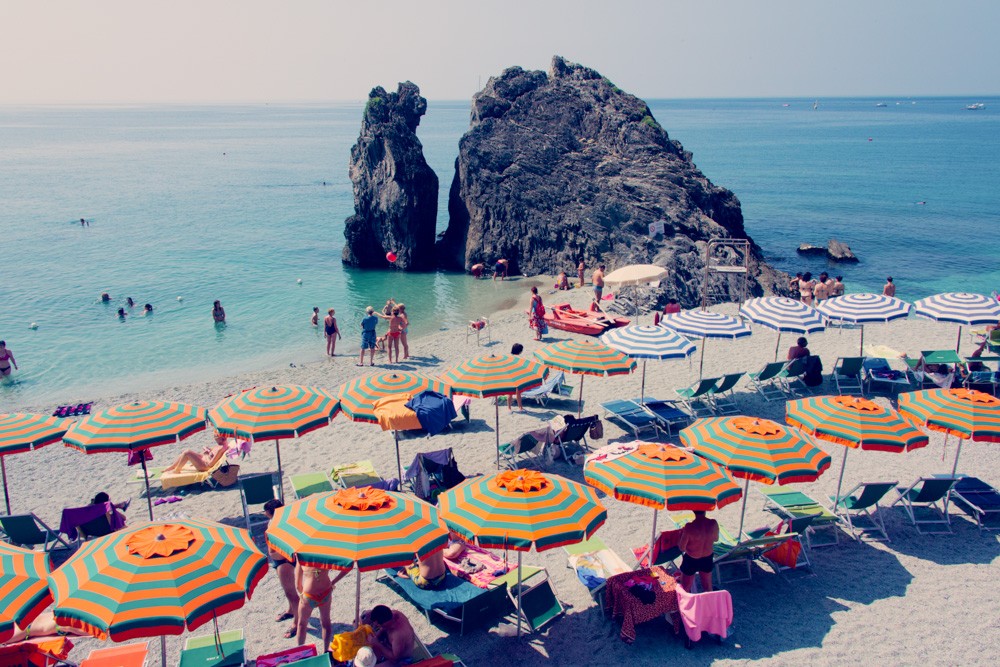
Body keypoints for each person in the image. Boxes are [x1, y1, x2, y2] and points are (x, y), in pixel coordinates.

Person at [264, 499, 299, 638]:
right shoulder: (275, 521)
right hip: (280, 561)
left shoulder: (284, 524)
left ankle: (297, 622)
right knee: (287, 591)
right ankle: (291, 611)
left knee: (292, 593)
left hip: (285, 562)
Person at [295, 562, 348, 649]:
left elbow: (298, 585)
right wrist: (333, 582)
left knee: (302, 624)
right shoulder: (324, 552)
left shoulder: (301, 555)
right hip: (325, 592)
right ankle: (325, 650)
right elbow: (347, 566)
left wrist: (302, 595)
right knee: (325, 622)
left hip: (309, 595)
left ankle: (301, 652)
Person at [678, 510, 719, 592]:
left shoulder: (689, 527)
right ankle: (709, 604)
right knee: (707, 587)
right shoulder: (713, 523)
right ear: (705, 510)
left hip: (691, 558)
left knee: (685, 588)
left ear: (694, 511)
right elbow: (716, 539)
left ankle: (685, 604)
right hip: (707, 557)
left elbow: (682, 547)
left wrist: (681, 535)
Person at [163, 432, 228, 474]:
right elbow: (213, 453)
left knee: (187, 452)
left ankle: (177, 470)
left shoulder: (221, 448)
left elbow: (210, 464)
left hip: (205, 466)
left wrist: (206, 454)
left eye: (216, 437)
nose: (214, 438)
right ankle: (173, 466)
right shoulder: (221, 445)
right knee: (184, 452)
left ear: (221, 438)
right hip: (204, 459)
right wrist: (208, 450)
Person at [506, 343, 525, 411]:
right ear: (519, 351)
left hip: (509, 377)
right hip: (517, 377)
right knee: (518, 393)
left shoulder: (509, 358)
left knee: (510, 394)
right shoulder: (519, 359)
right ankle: (520, 407)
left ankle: (509, 408)